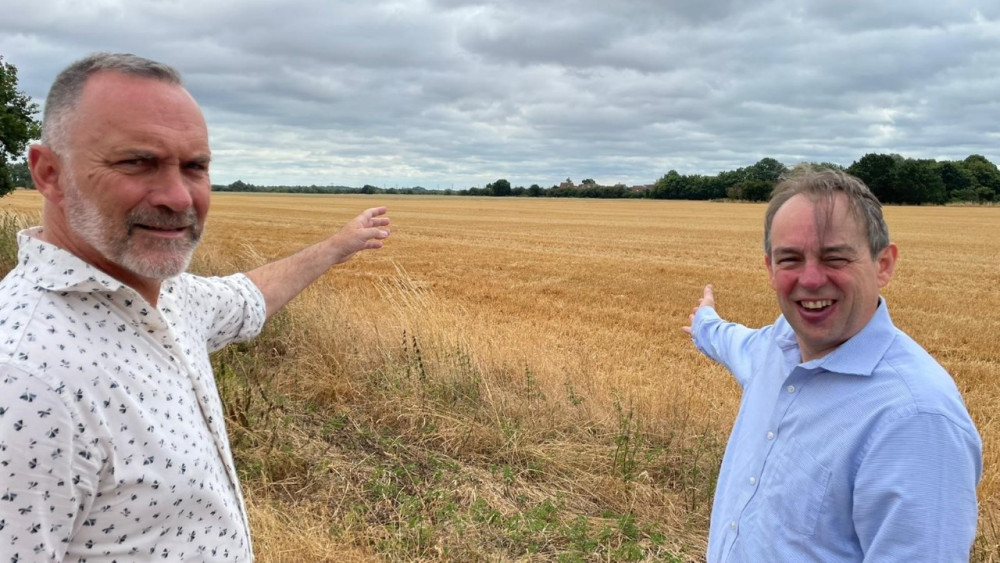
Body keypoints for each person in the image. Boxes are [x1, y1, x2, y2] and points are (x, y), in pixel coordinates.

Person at [0, 53, 390, 561]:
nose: (178, 197)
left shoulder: (167, 296)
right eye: (137, 162)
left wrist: (339, 245)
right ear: (49, 173)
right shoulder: (25, 375)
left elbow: (247, 298)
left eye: (195, 167)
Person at [683, 167, 981, 561]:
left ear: (883, 264)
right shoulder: (777, 347)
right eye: (790, 259)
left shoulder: (916, 419)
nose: (809, 279)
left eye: (835, 257)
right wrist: (705, 322)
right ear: (770, 270)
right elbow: (732, 342)